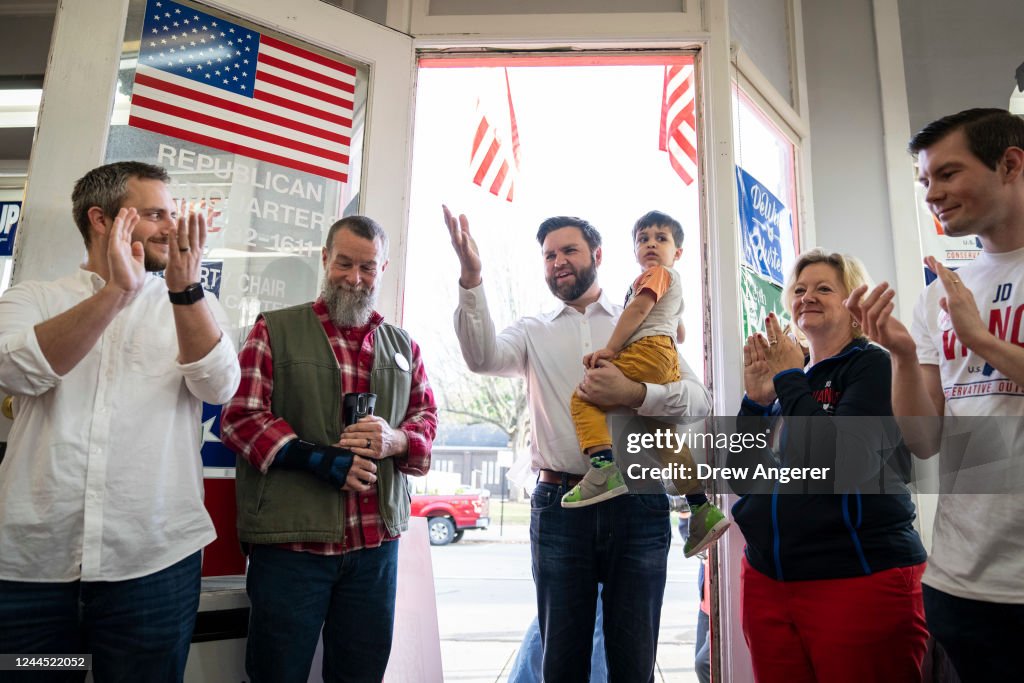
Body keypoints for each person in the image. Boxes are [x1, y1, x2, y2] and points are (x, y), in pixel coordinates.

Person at [443, 206, 712, 683]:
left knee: (633, 661)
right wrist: (472, 278)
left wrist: (635, 394)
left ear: (598, 255)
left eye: (568, 250)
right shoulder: (532, 330)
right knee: (561, 661)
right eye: (548, 255)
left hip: (639, 503)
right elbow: (481, 357)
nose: (557, 262)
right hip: (561, 504)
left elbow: (696, 401)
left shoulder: (644, 318)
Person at [0, 161, 240, 682]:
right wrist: (116, 293)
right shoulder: (32, 298)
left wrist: (185, 291)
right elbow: (15, 371)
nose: (172, 228)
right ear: (101, 220)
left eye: (173, 214)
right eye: (155, 214)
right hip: (33, 576)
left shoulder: (194, 305)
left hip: (152, 567)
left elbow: (219, 387)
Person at [846, 108, 1024, 683]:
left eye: (947, 174)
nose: (933, 193)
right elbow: (923, 441)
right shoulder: (939, 297)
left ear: (1011, 164)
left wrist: (980, 339)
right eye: (925, 181)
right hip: (959, 579)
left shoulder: (961, 310)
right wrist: (899, 353)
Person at [220, 215, 437, 683]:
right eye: (343, 263)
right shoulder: (274, 330)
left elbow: (426, 420)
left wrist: (396, 439)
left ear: (382, 269)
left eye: (367, 267)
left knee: (361, 674)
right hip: (292, 547)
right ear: (324, 259)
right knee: (277, 673)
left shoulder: (404, 346)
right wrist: (320, 460)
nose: (354, 279)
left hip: (375, 549)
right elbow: (239, 419)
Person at [736, 249, 928, 682]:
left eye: (824, 288)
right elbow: (741, 477)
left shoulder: (873, 366)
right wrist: (755, 401)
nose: (808, 296)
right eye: (800, 289)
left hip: (856, 578)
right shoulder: (791, 374)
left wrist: (787, 382)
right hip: (768, 580)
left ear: (854, 304)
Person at [564, 210, 729, 558]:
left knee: (584, 398)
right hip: (665, 355)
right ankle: (701, 507)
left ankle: (603, 469)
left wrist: (611, 349)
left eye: (661, 238)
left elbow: (638, 311)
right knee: (664, 438)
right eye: (643, 239)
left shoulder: (654, 275)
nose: (651, 243)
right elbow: (678, 331)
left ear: (677, 252)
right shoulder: (673, 281)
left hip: (647, 350)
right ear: (635, 248)